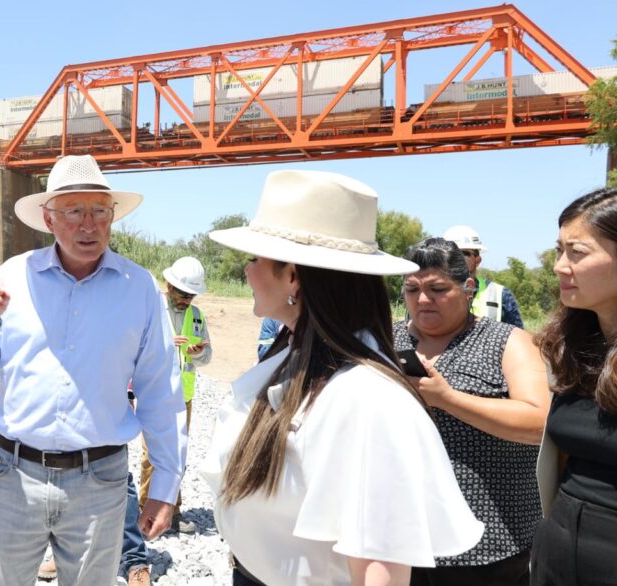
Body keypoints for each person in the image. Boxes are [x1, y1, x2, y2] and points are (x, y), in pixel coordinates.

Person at [200, 169, 484, 586]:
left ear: (294, 275)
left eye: (254, 258)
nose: (247, 271)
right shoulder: (298, 355)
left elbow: (379, 567)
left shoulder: (366, 397)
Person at [0, 154, 187, 586]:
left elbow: (160, 393)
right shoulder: (14, 276)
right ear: (48, 218)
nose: (88, 225)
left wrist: (166, 486)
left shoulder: (140, 290)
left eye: (100, 211)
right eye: (74, 211)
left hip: (101, 482)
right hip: (12, 476)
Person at [395, 237, 549, 585]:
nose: (422, 299)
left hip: (487, 539)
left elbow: (539, 422)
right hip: (400, 535)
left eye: (437, 288)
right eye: (411, 289)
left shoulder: (508, 341)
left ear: (468, 288)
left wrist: (448, 399)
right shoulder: (386, 339)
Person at [532, 187, 617, 585]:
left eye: (577, 253)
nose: (560, 266)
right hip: (558, 550)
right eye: (559, 250)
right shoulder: (572, 346)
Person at [139, 255, 211, 534]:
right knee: (151, 454)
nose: (186, 300)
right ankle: (147, 510)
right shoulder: (152, 309)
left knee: (177, 454)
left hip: (184, 395)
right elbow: (136, 346)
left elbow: (207, 357)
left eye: (191, 296)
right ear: (169, 286)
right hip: (154, 391)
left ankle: (173, 509)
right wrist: (167, 345)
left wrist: (199, 352)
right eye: (182, 294)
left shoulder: (197, 317)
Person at [442, 225, 524, 328]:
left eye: (465, 253)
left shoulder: (501, 295)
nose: (458, 259)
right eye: (452, 254)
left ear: (477, 260)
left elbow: (517, 337)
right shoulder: (429, 293)